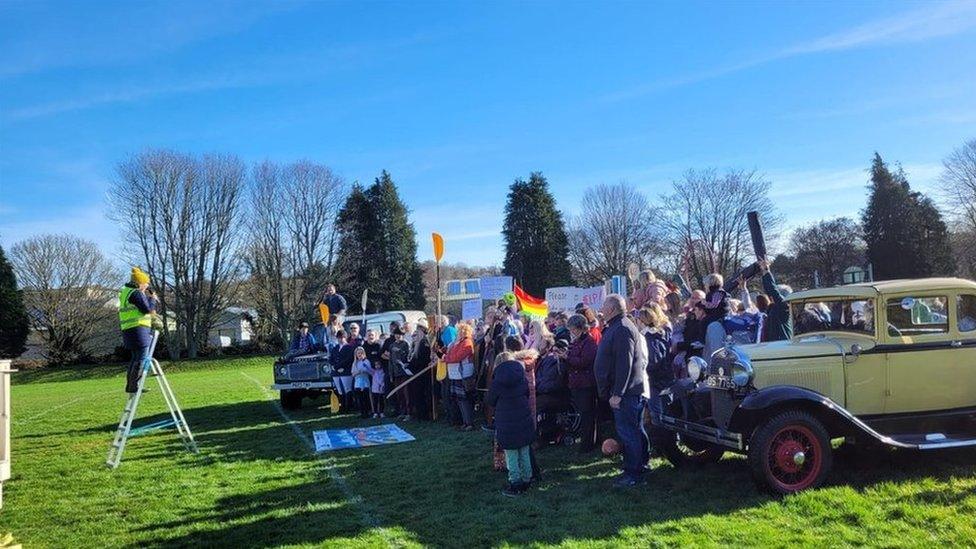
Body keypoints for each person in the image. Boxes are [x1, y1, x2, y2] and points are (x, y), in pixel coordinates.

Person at [594, 294, 649, 488]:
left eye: (604, 306)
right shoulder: (617, 326)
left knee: (629, 433)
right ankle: (641, 465)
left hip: (626, 393)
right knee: (635, 430)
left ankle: (634, 473)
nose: (601, 308)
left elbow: (624, 364)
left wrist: (618, 393)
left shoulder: (623, 328)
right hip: (627, 392)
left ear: (612, 309)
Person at [487, 356, 535, 497]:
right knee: (524, 451)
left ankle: (515, 483)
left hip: (507, 422)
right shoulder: (521, 377)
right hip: (523, 418)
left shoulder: (497, 382)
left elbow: (491, 400)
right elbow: (526, 393)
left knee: (511, 455)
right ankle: (527, 479)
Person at [119, 267, 158, 394]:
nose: (147, 286)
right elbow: (147, 309)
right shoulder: (135, 293)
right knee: (141, 358)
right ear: (140, 282)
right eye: (146, 283)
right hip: (138, 329)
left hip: (130, 330)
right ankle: (134, 386)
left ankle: (132, 385)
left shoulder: (126, 291)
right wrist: (152, 299)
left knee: (135, 358)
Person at [563, 313, 598, 452]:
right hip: (577, 383)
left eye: (574, 330)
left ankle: (587, 445)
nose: (572, 333)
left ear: (582, 328)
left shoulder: (589, 342)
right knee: (583, 414)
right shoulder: (576, 341)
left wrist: (568, 357)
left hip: (586, 384)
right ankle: (585, 442)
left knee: (587, 415)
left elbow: (584, 362)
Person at [443, 323, 476, 430]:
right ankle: (464, 422)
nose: (458, 333)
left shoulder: (467, 343)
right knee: (458, 399)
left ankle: (469, 423)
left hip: (462, 375)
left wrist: (447, 358)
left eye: (461, 330)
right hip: (455, 374)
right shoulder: (456, 343)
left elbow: (457, 357)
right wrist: (448, 355)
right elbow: (450, 354)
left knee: (464, 400)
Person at [758, 259, 793, 341]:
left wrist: (767, 271)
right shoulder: (773, 307)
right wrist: (763, 274)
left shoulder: (784, 307)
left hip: (782, 344)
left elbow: (773, 291)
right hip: (774, 344)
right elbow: (769, 290)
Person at [383, 327, 412, 420]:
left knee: (406, 393)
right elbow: (390, 361)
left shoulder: (406, 344)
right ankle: (402, 412)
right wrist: (391, 374)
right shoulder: (391, 346)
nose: (398, 336)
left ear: (402, 335)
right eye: (396, 334)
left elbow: (408, 357)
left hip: (404, 373)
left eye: (400, 334)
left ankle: (409, 413)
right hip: (396, 373)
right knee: (399, 394)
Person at [408, 319, 432, 420]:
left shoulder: (425, 343)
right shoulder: (416, 344)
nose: (417, 331)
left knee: (422, 394)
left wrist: (413, 365)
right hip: (416, 373)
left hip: (422, 373)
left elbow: (424, 359)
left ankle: (424, 415)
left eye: (419, 328)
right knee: (416, 394)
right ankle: (418, 413)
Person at [351, 347, 373, 418]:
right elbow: (353, 374)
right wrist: (357, 372)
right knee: (360, 399)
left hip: (365, 382)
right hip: (358, 383)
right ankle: (362, 412)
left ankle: (367, 412)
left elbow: (371, 372)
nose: (360, 355)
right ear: (356, 355)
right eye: (358, 353)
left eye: (361, 353)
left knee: (366, 398)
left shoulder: (366, 361)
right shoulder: (354, 363)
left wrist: (365, 370)